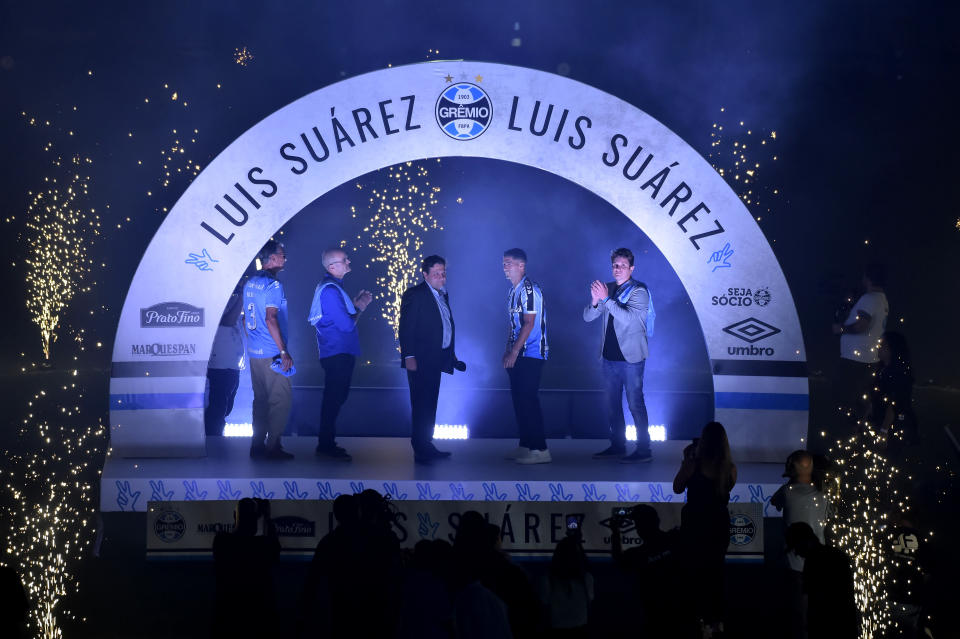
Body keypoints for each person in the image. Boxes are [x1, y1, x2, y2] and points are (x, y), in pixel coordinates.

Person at [583, 247, 653, 463]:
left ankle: (644, 449)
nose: (618, 269)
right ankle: (617, 445)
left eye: (622, 265)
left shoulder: (639, 291)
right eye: (615, 265)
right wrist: (596, 302)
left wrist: (606, 299)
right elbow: (587, 317)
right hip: (608, 359)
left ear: (631, 268)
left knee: (635, 404)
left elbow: (629, 320)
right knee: (612, 405)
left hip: (631, 360)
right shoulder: (608, 288)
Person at [307, 248, 373, 461]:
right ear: (332, 266)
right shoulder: (330, 291)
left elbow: (341, 319)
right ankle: (325, 445)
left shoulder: (332, 288)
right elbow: (346, 325)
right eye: (344, 260)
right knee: (334, 399)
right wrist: (360, 307)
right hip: (337, 352)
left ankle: (326, 443)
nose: (348, 261)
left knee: (335, 398)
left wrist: (354, 306)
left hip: (337, 351)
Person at [673, 422, 737, 637]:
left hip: (695, 525)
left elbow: (677, 487)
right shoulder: (730, 468)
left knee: (695, 573)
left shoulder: (694, 464)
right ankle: (717, 621)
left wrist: (686, 461)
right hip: (718, 525)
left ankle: (701, 621)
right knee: (716, 573)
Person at [399, 255, 464, 463]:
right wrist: (409, 356)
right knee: (421, 404)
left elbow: (445, 326)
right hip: (420, 359)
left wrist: (450, 354)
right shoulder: (415, 294)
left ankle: (426, 444)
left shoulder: (442, 295)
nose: (441, 277)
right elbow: (406, 327)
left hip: (436, 359)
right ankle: (420, 448)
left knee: (430, 403)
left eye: (443, 272)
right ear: (425, 274)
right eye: (436, 273)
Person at [771, 450, 833, 639]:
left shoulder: (787, 492)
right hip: (819, 563)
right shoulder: (822, 496)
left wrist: (791, 479)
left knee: (797, 615)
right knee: (816, 614)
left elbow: (775, 502)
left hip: (794, 564)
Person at [244, 240, 294, 459]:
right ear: (272, 258)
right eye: (282, 254)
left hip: (255, 353)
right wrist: (283, 351)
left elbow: (246, 317)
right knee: (280, 401)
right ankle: (273, 447)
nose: (285, 258)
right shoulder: (273, 285)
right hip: (272, 352)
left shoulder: (250, 282)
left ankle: (257, 445)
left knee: (260, 400)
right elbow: (271, 318)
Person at [502, 248, 551, 464]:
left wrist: (514, 351)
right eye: (503, 263)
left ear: (521, 266)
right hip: (517, 354)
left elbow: (529, 324)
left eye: (509, 263)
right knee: (519, 401)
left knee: (529, 400)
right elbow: (513, 325)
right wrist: (508, 349)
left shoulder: (529, 290)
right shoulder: (513, 290)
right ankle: (525, 445)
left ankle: (540, 449)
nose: (505, 267)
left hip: (531, 354)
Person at [212, 498, 281, 639]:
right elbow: (274, 549)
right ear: (256, 519)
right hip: (259, 616)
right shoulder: (262, 545)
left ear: (234, 516)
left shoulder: (221, 541)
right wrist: (267, 517)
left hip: (229, 615)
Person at [609, 505, 681, 636]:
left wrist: (615, 531)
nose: (637, 528)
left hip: (656, 620)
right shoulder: (676, 539)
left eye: (638, 523)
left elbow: (619, 559)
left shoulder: (639, 555)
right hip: (680, 617)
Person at [785, 523, 859, 639]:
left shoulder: (813, 562)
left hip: (827, 629)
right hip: (845, 626)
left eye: (796, 547)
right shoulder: (837, 555)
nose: (797, 553)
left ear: (804, 541)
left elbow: (815, 601)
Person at [831, 263, 889, 411]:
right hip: (867, 360)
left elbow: (862, 325)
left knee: (845, 403)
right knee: (859, 404)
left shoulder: (869, 298)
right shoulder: (882, 299)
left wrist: (841, 329)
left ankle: (845, 430)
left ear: (868, 278)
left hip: (855, 362)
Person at [867, 331, 918, 460]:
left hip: (895, 425)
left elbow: (894, 405)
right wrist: (864, 420)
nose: (878, 347)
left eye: (882, 345)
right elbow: (874, 399)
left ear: (892, 349)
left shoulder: (899, 374)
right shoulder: (882, 370)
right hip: (881, 421)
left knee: (890, 460)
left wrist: (884, 431)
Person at [205, 281, 244, 436]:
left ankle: (215, 434)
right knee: (218, 407)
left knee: (225, 407)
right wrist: (242, 296)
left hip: (232, 365)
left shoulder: (227, 303)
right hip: (220, 366)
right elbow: (228, 321)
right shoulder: (213, 304)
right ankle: (213, 439)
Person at [540, 535, 593, 637]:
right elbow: (590, 599)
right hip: (581, 630)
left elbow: (544, 604)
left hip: (557, 630)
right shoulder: (587, 578)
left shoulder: (547, 579)